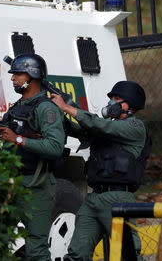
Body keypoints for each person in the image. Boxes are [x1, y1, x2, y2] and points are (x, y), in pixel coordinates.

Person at [50, 81, 149, 261]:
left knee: (126, 255)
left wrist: (67, 107)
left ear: (131, 104)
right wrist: (57, 110)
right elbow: (79, 128)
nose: (112, 102)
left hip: (118, 200)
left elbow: (100, 126)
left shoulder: (135, 127)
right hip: (93, 199)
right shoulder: (103, 125)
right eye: (111, 98)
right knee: (76, 254)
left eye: (117, 98)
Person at [0, 53, 65, 261]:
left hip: (37, 184)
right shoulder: (18, 106)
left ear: (32, 76)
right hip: (12, 181)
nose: (12, 78)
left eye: (18, 73)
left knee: (36, 248)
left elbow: (54, 147)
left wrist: (17, 139)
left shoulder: (46, 108)